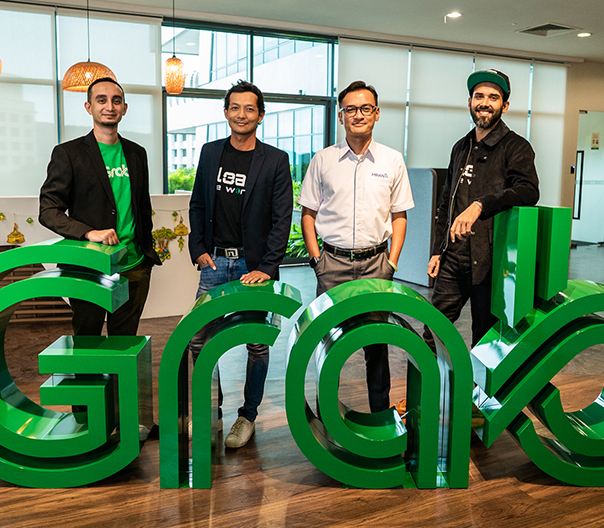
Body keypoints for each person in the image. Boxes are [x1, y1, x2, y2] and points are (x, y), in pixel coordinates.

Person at [298, 80, 414, 414]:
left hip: (376, 266)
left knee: (376, 346)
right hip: (331, 266)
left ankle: (381, 416)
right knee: (329, 344)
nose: (358, 115)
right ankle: (326, 417)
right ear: (341, 116)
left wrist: (390, 264)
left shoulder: (392, 160)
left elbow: (400, 216)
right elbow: (308, 214)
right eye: (350, 109)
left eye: (365, 108)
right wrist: (317, 259)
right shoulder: (323, 160)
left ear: (376, 114)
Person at [188, 80, 293, 449]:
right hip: (214, 263)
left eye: (250, 109)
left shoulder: (276, 160)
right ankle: (211, 410)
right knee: (198, 341)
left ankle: (247, 416)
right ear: (226, 112)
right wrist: (197, 247)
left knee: (256, 344)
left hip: (253, 268)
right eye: (235, 107)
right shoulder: (210, 151)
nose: (242, 114)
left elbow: (283, 218)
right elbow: (198, 204)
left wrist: (267, 266)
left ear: (260, 115)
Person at [424, 69, 540, 351]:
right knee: (432, 331)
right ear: (469, 102)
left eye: (493, 97)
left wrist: (481, 204)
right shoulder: (460, 147)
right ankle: (430, 395)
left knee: (485, 339)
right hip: (453, 256)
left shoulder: (516, 147)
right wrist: (438, 250)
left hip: (489, 261)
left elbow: (528, 191)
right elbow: (445, 204)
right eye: (479, 96)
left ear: (505, 105)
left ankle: (478, 396)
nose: (484, 102)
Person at [39, 77, 160, 338]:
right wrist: (88, 233)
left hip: (134, 265)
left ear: (124, 108)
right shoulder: (68, 153)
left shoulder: (137, 153)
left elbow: (142, 206)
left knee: (124, 343)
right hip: (89, 266)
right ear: (88, 107)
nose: (109, 106)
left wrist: (146, 254)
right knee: (88, 338)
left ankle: (118, 382)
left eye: (116, 101)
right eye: (101, 100)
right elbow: (48, 210)